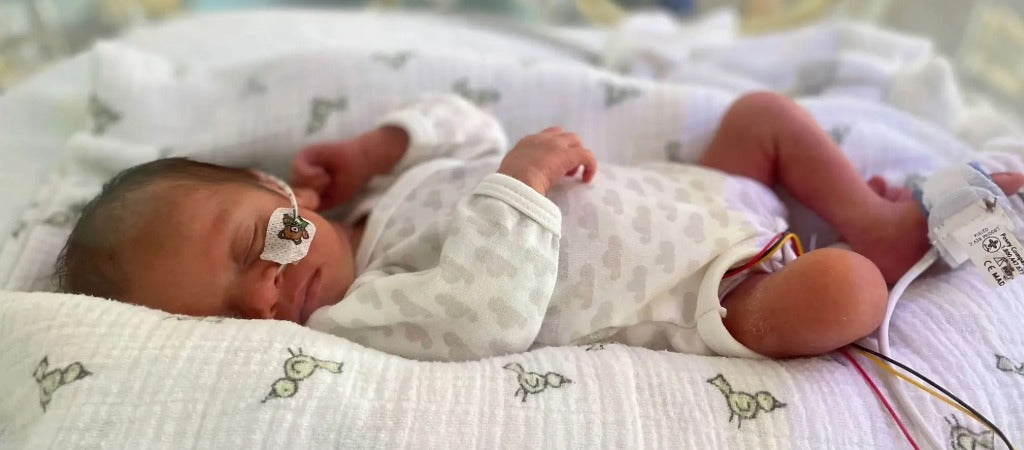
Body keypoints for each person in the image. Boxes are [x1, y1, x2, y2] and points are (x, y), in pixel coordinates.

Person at [57, 91, 1024, 361]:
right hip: (714, 282)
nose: (266, 296)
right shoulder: (364, 318)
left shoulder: (391, 192)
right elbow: (486, 320)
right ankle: (865, 249)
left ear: (286, 195)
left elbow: (471, 125)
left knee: (763, 116)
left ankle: (868, 214)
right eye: (231, 318)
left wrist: (378, 143)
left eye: (254, 249)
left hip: (694, 186)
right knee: (842, 290)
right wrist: (520, 182)